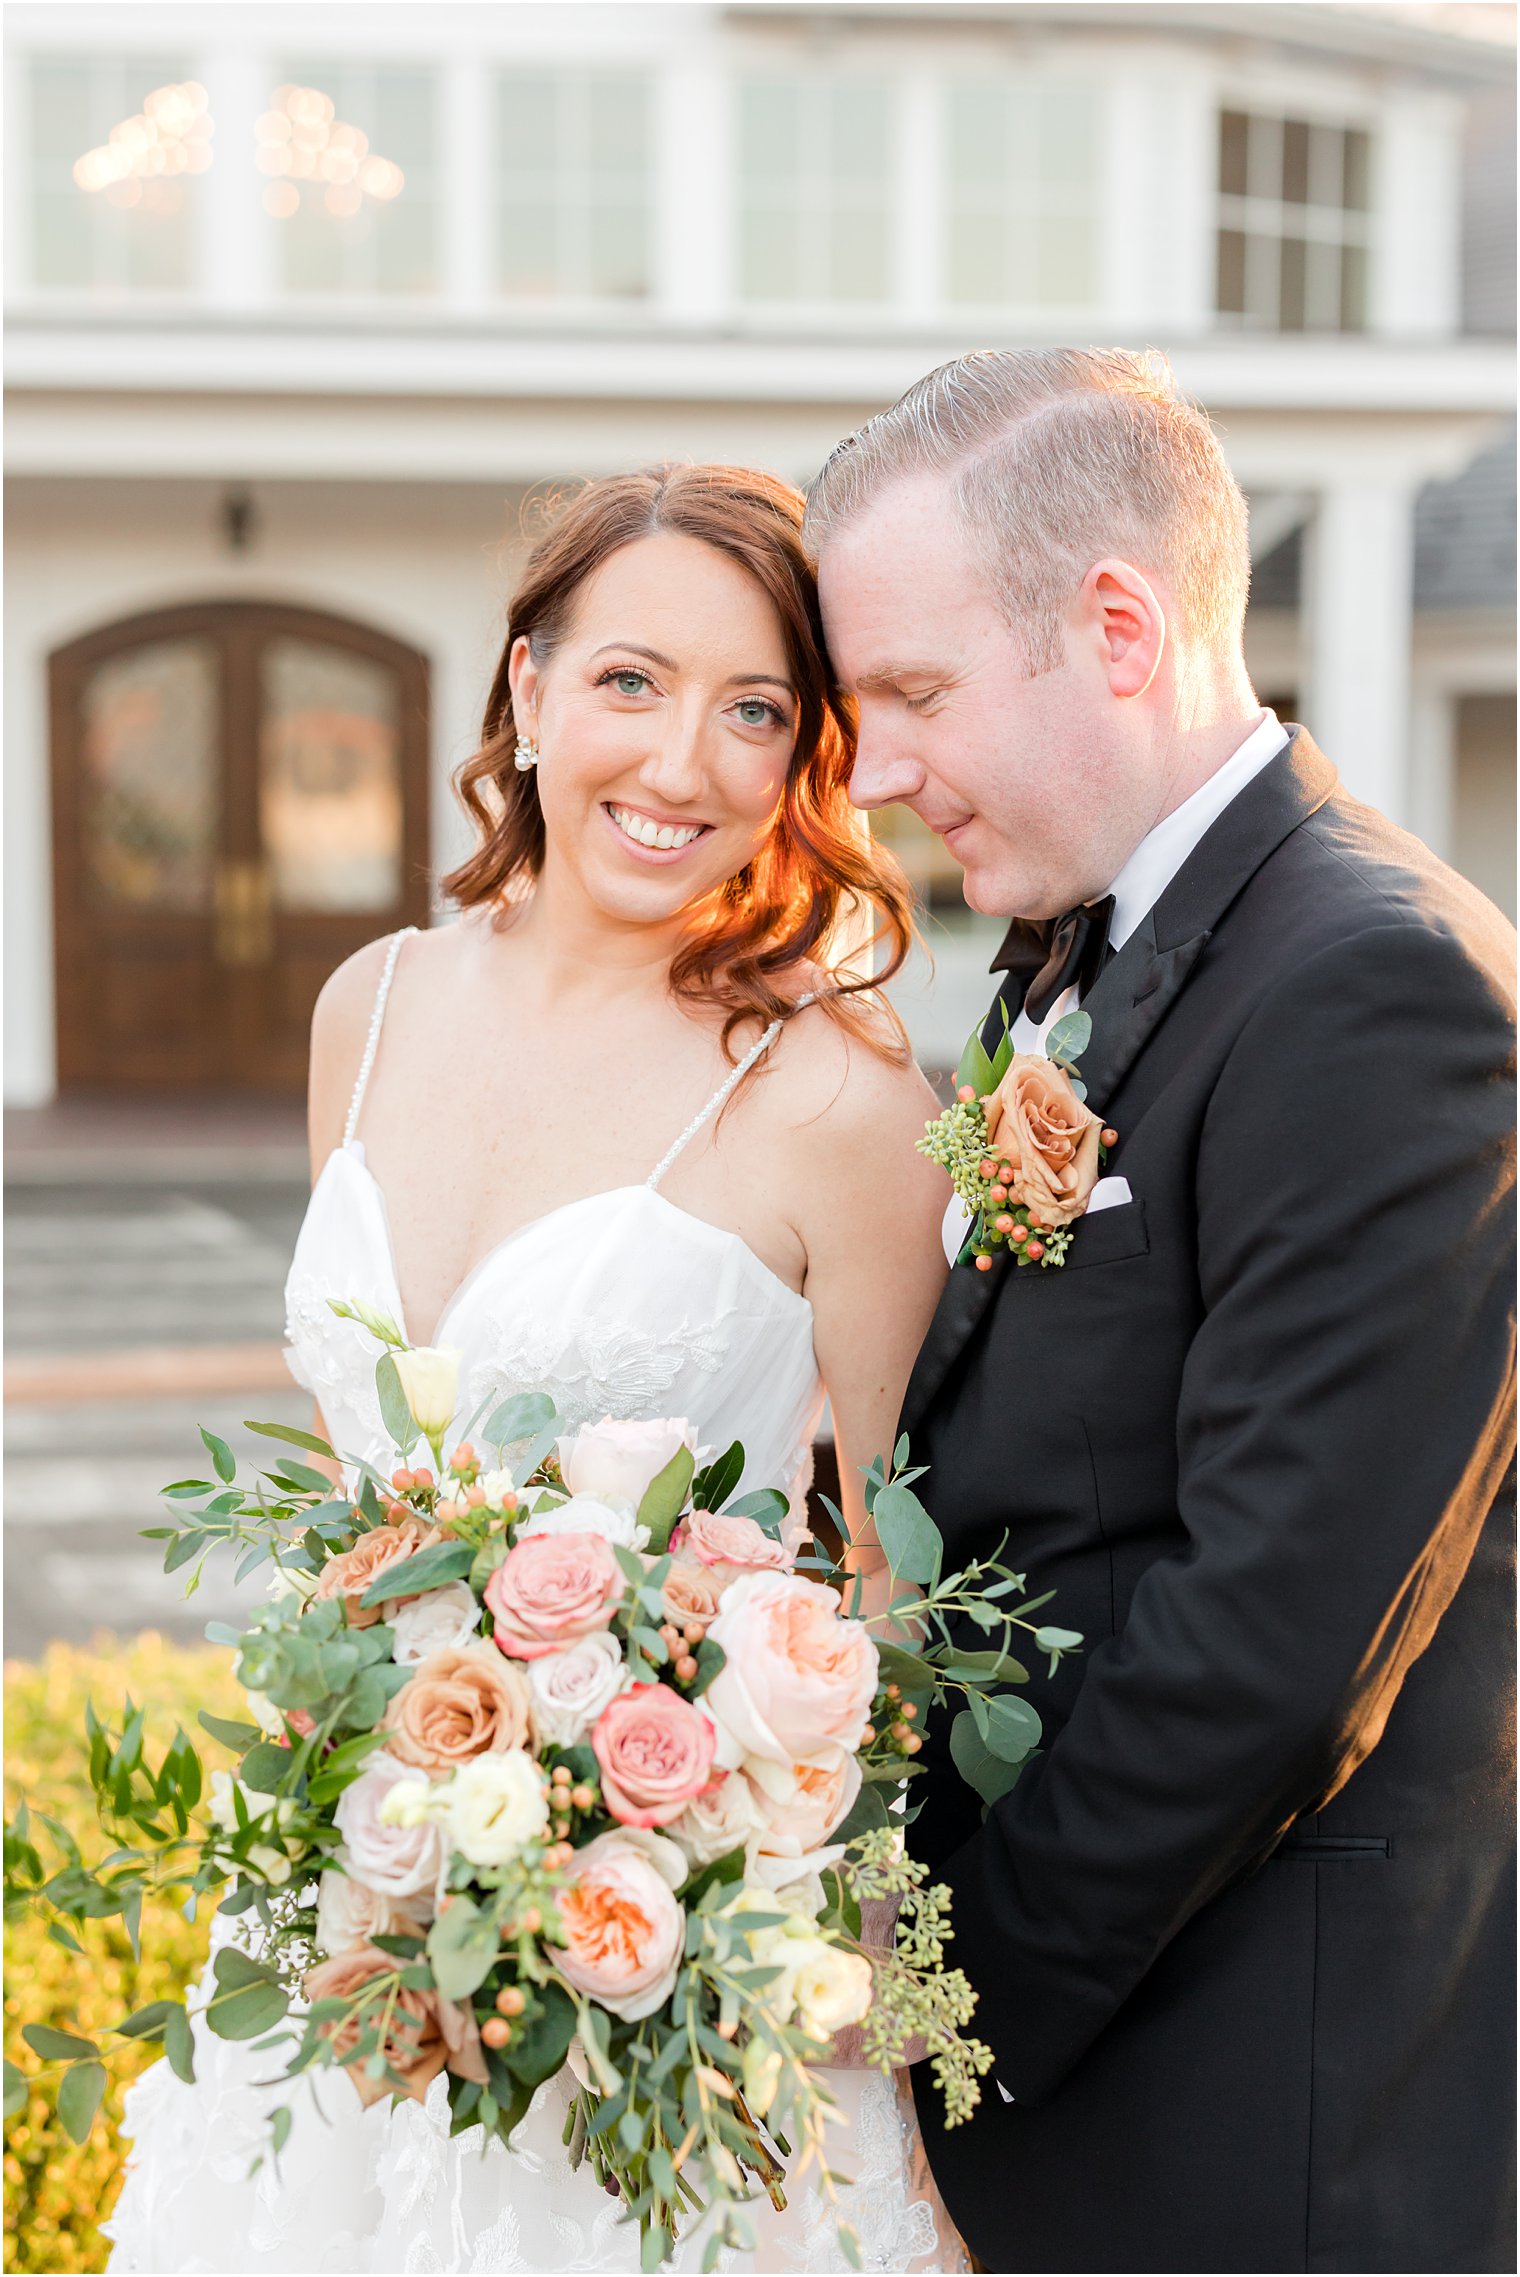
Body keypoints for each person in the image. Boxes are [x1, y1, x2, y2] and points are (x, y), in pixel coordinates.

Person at [102, 464, 965, 2275]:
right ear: (528, 692)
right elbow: (351, 1505)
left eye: (756, 713)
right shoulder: (374, 1002)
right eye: (632, 682)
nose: (682, 767)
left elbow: (897, 1568)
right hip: (351, 1881)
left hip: (664, 1944)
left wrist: (852, 1944)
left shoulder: (836, 1100)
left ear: (806, 756)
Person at [805, 345, 1518, 2276]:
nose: (871, 772)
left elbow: (1271, 1640)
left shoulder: (1383, 992)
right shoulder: (1073, 950)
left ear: (1116, 628)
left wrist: (941, 2019)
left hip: (1243, 2126)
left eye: (915, 694)